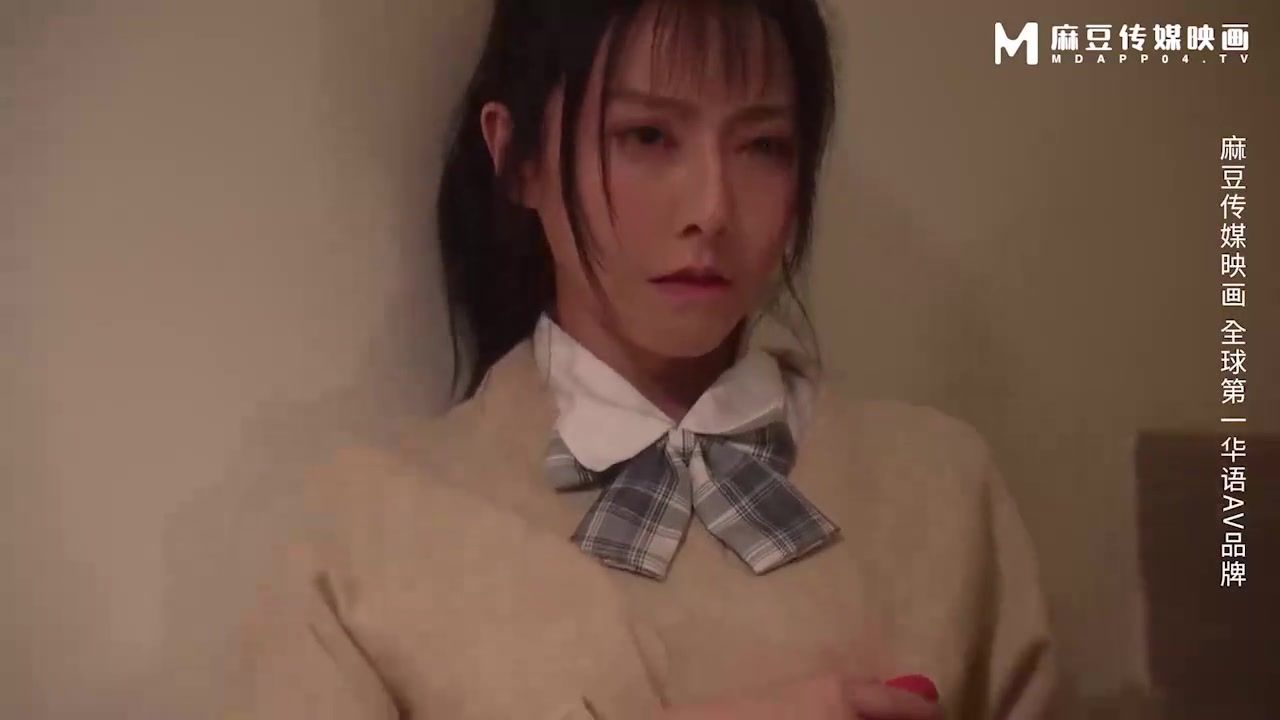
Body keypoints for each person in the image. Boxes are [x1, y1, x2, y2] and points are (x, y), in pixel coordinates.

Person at [228, 1, 1058, 717]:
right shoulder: (368, 528)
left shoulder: (942, 491)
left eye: (763, 145)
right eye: (647, 136)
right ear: (517, 158)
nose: (711, 208)